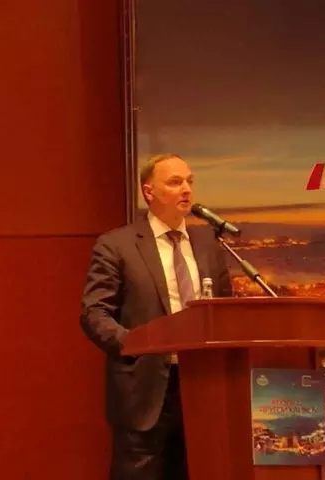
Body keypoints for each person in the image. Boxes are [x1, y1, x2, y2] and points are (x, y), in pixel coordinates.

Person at [80, 154, 233, 480]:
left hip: (202, 386)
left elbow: (225, 310)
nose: (186, 190)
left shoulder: (209, 245)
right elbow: (94, 312)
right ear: (148, 191)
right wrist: (134, 344)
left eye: (189, 181)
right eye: (175, 182)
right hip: (145, 388)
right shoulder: (117, 245)